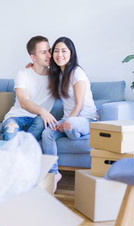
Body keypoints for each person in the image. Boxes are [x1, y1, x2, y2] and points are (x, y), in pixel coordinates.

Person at [42, 37, 98, 190]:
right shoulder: (58, 74)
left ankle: (70, 129)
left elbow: (79, 104)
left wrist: (67, 122)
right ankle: (54, 173)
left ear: (71, 53)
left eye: (64, 51)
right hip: (69, 119)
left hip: (86, 119)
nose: (59, 54)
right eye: (56, 51)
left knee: (69, 124)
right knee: (47, 133)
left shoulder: (77, 73)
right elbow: (40, 69)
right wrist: (31, 66)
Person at [2, 36, 58, 141]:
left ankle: (19, 153)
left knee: (41, 122)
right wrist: (43, 111)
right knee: (10, 133)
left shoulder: (57, 76)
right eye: (43, 52)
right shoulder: (23, 73)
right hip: (16, 117)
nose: (49, 55)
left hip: (39, 120)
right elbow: (24, 102)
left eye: (49, 51)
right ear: (33, 57)